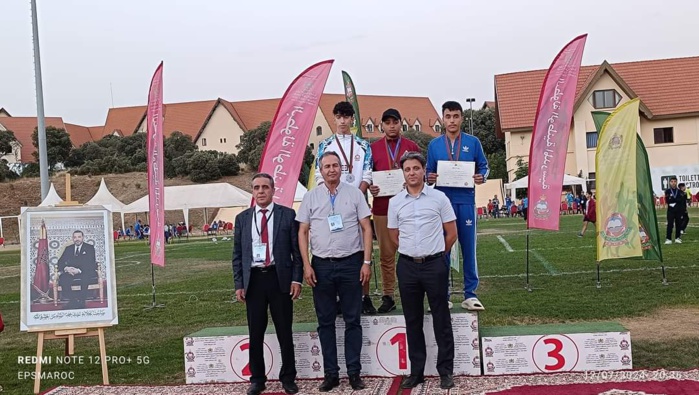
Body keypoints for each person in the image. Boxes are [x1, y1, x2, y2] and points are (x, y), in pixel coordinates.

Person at [298, 152, 373, 391]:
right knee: (325, 321)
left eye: (335, 165)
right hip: (321, 265)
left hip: (351, 263)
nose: (331, 170)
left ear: (341, 169)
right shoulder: (310, 197)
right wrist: (306, 265)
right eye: (326, 166)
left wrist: (367, 262)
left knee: (353, 319)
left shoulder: (354, 194)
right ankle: (331, 373)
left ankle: (354, 372)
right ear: (320, 170)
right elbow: (302, 232)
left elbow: (366, 228)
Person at [388, 152, 457, 390]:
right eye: (407, 170)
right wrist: (411, 251)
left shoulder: (439, 198)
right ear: (403, 173)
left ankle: (445, 371)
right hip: (407, 267)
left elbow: (451, 232)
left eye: (416, 168)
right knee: (412, 320)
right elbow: (393, 235)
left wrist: (437, 254)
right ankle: (417, 372)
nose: (412, 173)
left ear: (423, 170)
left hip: (435, 265)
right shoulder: (395, 202)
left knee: (441, 318)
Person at [233, 173, 302, 395]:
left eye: (265, 187)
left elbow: (297, 252)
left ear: (273, 190)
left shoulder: (288, 215)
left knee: (284, 330)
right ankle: (257, 379)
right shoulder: (243, 218)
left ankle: (288, 377)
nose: (261, 191)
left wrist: (296, 278)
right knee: (255, 332)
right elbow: (237, 254)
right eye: (256, 188)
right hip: (254, 280)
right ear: (252, 192)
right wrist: (239, 284)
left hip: (279, 278)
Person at [314, 101, 376, 314]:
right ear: (334, 118)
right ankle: (340, 298)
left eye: (346, 117)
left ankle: (365, 296)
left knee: (361, 249)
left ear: (352, 120)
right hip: (332, 204)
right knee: (338, 248)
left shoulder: (363, 145)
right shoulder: (325, 145)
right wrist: (336, 196)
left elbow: (367, 172)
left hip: (358, 200)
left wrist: (356, 195)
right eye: (339, 117)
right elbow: (318, 175)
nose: (342, 121)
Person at [426, 101, 489, 311]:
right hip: (442, 204)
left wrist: (482, 177)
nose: (452, 120)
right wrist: (430, 177)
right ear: (442, 120)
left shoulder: (473, 142)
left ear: (462, 118)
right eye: (448, 116)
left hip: (466, 202)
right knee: (441, 250)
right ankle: (441, 295)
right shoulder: (434, 145)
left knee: (468, 248)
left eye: (455, 116)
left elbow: (484, 166)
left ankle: (470, 294)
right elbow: (428, 172)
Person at [368, 108, 421, 314]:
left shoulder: (411, 146)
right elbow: (367, 175)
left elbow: (419, 172)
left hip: (409, 206)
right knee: (387, 256)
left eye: (395, 122)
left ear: (401, 123)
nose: (391, 126)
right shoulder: (372, 148)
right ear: (382, 125)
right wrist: (371, 186)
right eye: (387, 122)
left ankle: (414, 294)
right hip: (382, 208)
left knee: (412, 253)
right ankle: (388, 295)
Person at [57, 230, 98, 309]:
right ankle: (73, 300)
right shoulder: (68, 248)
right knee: (63, 278)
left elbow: (91, 263)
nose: (77, 239)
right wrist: (67, 268)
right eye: (75, 237)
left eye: (79, 237)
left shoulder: (89, 247)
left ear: (83, 238)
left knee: (85, 277)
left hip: (85, 271)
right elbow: (60, 262)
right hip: (71, 271)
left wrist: (78, 270)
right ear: (72, 238)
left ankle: (82, 301)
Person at [665, 176, 686, 244]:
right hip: (670, 211)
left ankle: (677, 238)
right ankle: (668, 239)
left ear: (676, 182)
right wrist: (676, 200)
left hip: (678, 210)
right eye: (672, 182)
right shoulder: (667, 191)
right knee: (670, 224)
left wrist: (673, 200)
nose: (673, 183)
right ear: (670, 183)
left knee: (678, 224)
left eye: (675, 181)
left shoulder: (680, 191)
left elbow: (681, 201)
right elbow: (668, 200)